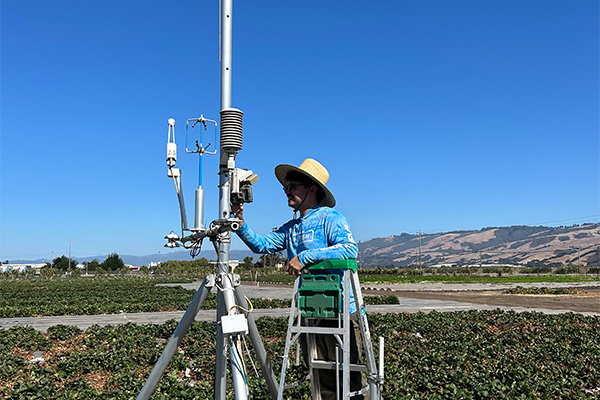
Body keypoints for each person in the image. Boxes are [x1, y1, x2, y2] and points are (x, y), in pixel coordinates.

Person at [232, 158, 364, 400]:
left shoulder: (330, 218)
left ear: (312, 189)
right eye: (286, 188)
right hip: (310, 309)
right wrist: (240, 224)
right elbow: (262, 245)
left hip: (340, 310)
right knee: (320, 374)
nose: (287, 192)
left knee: (348, 377)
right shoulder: (291, 227)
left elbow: (349, 249)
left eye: (292, 187)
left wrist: (305, 257)